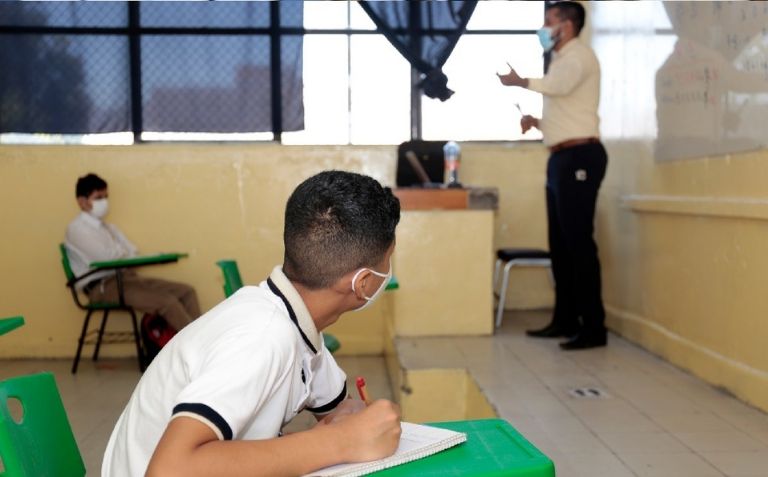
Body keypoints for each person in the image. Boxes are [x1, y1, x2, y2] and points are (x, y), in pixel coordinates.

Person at [101, 170, 403, 477]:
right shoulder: (263, 335)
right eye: (388, 259)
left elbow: (341, 412)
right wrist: (338, 442)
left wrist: (359, 423)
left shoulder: (296, 322)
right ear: (363, 282)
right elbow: (168, 471)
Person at [497, 1, 608, 350]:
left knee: (578, 243)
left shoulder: (579, 57)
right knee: (561, 245)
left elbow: (558, 87)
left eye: (549, 20)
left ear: (567, 25)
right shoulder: (561, 60)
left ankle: (593, 328)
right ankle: (565, 320)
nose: (544, 28)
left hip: (580, 157)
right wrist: (537, 122)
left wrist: (521, 82)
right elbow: (568, 114)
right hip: (561, 157)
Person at [65, 173, 200, 332]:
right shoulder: (77, 229)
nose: (104, 202)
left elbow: (132, 252)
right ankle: (198, 344)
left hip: (126, 278)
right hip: (102, 286)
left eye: (106, 197)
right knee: (168, 302)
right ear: (82, 201)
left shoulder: (108, 227)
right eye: (98, 198)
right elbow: (107, 258)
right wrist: (122, 252)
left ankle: (202, 339)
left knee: (187, 292)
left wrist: (121, 252)